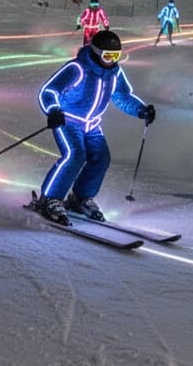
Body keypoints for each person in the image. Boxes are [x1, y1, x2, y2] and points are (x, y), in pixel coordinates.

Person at [33, 30, 155, 225]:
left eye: (116, 56)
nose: (112, 61)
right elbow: (48, 91)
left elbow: (122, 96)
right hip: (68, 121)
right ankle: (49, 199)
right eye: (108, 56)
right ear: (97, 53)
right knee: (75, 156)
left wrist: (141, 110)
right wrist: (53, 110)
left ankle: (80, 198)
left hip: (92, 124)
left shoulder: (115, 73)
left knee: (101, 158)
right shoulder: (78, 68)